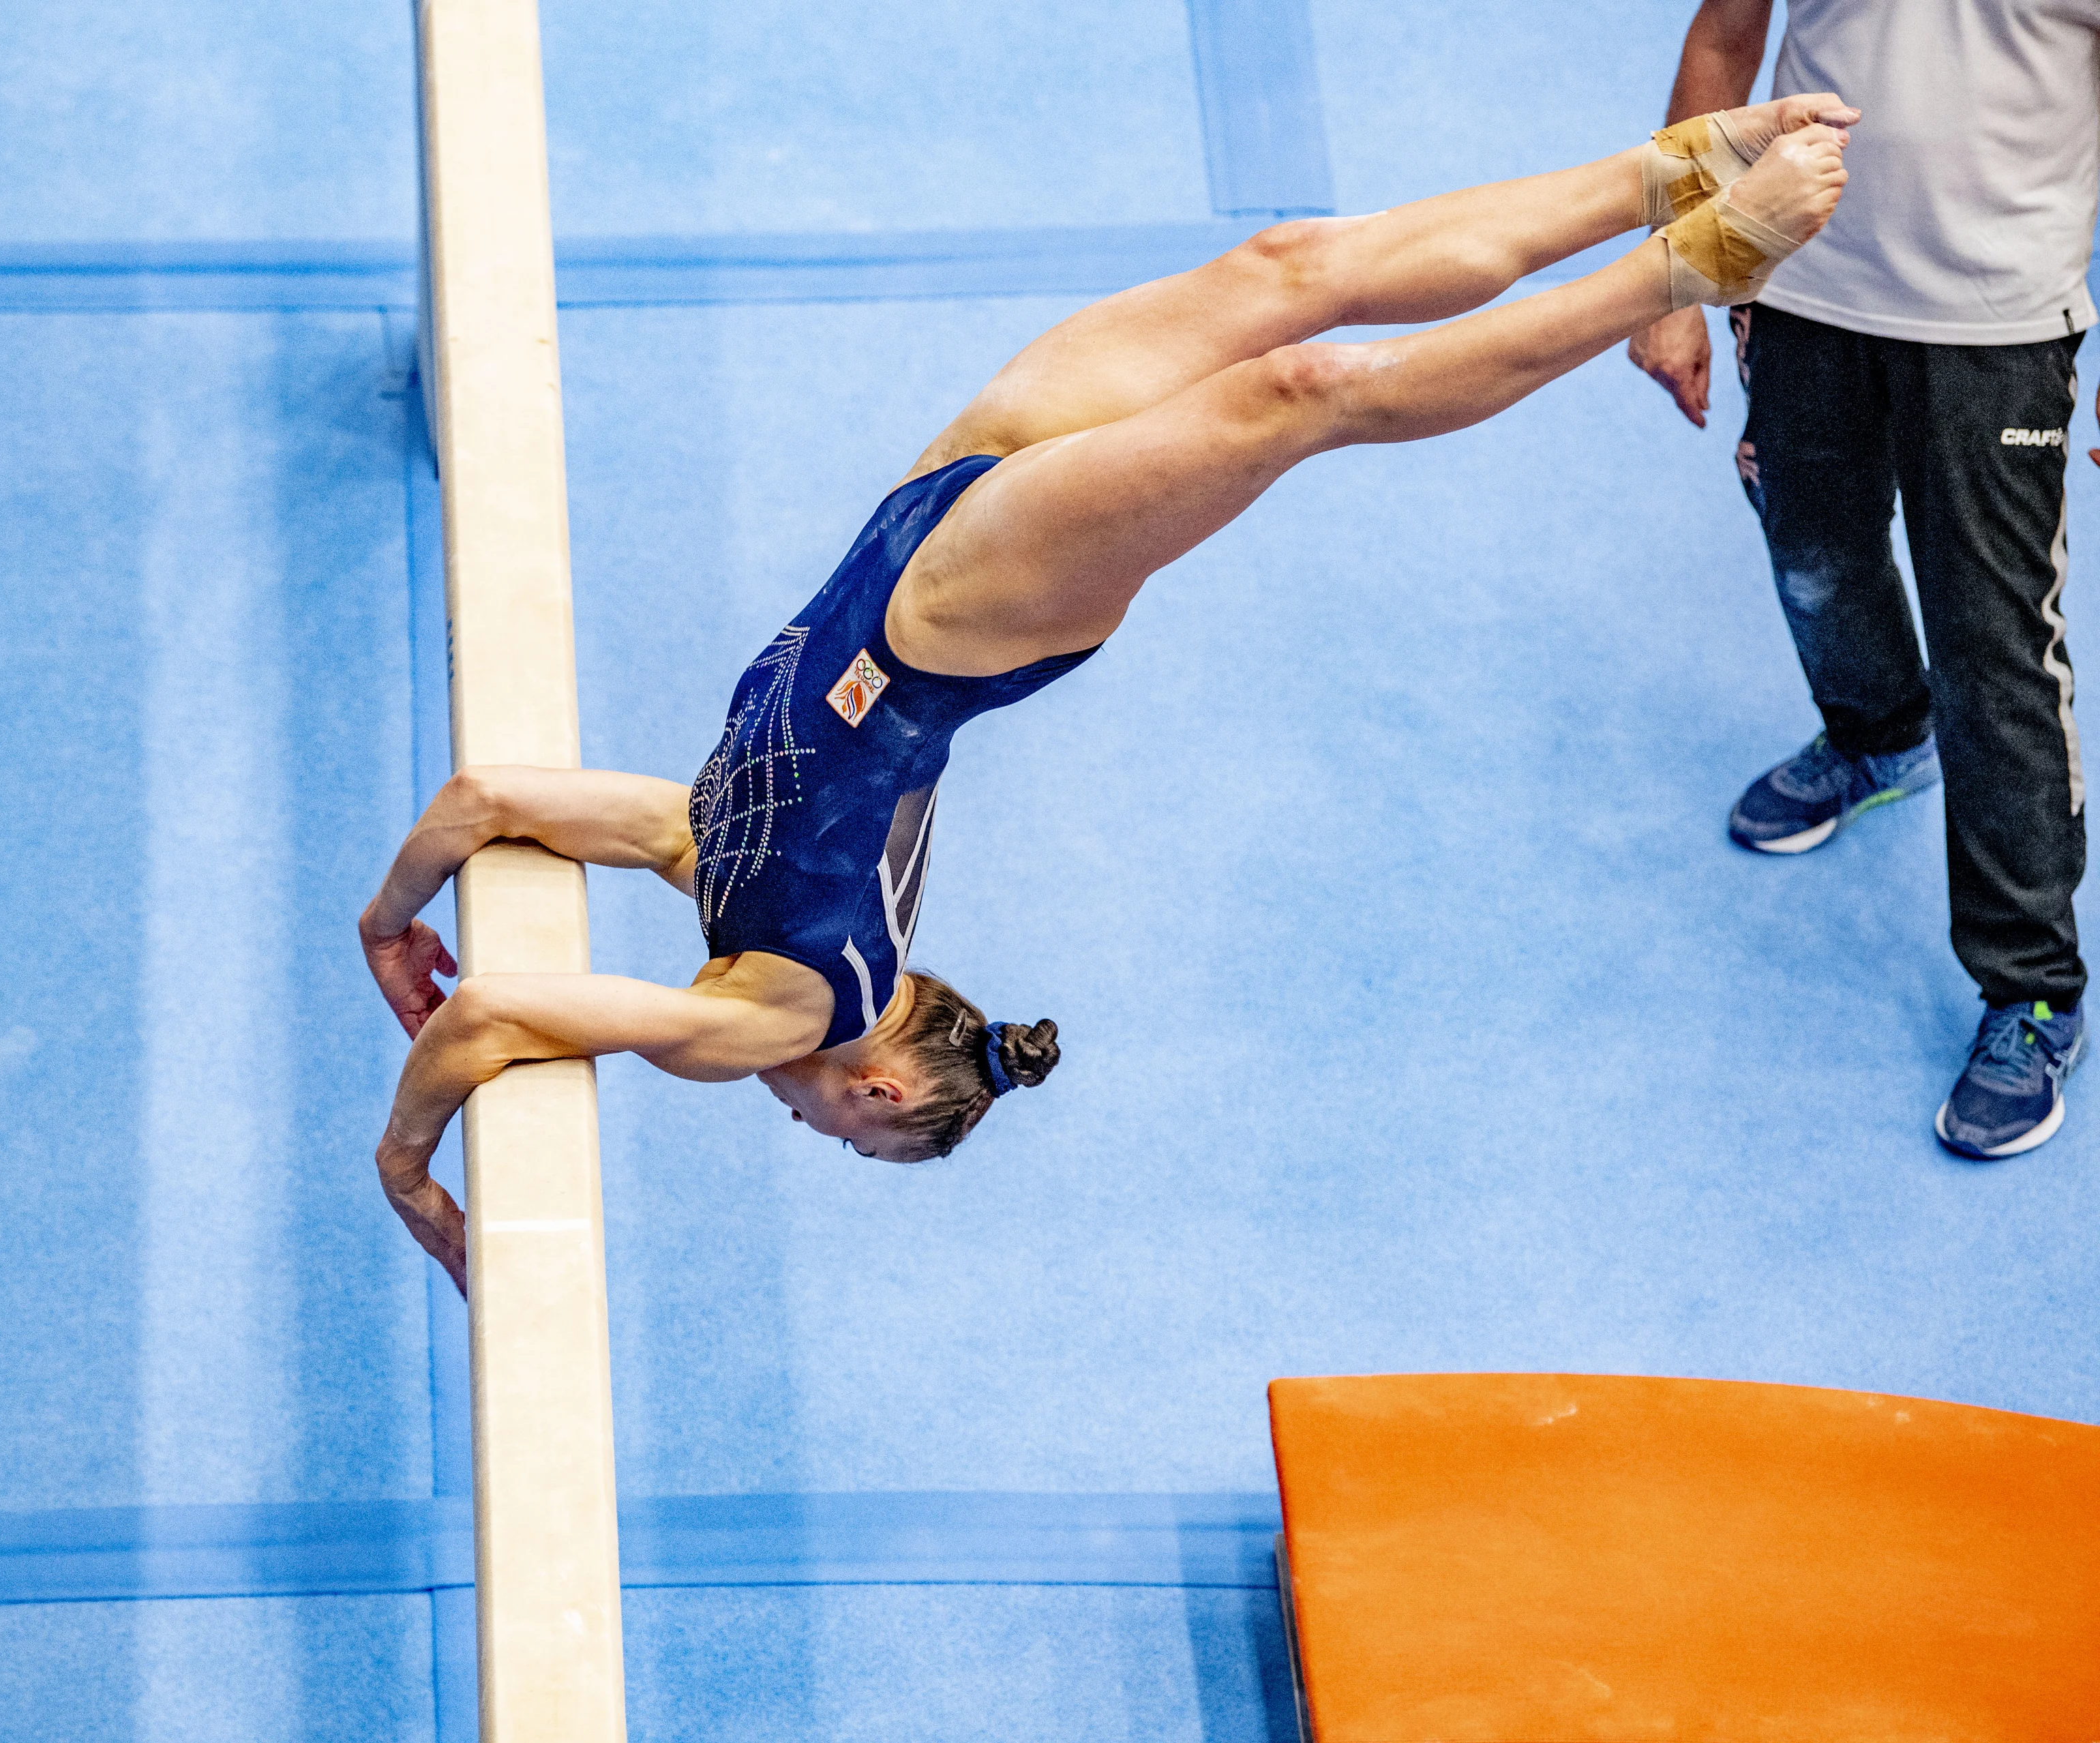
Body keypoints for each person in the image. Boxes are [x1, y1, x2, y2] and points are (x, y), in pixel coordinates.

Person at [370, 101, 1857, 1293]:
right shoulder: (772, 1007)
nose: (811, 1123)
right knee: (1303, 392)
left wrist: (393, 916)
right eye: (848, 1140)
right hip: (967, 607)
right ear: (881, 1090)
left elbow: (486, 800)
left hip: (929, 513)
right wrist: (407, 1163)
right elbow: (486, 1014)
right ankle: (1689, 257)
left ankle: (1671, 169)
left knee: (1286, 271)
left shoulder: (723, 876)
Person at [1630, 1, 2100, 1160]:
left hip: (2001, 324)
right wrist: (1675, 282)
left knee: (1993, 649)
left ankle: (2033, 990)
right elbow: (1727, 40)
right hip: (1798, 283)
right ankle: (1882, 732)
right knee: (1811, 551)